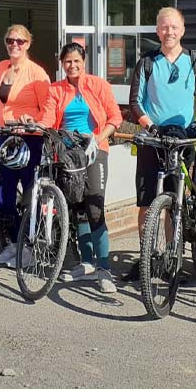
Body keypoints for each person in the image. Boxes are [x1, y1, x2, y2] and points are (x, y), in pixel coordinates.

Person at [126, 6, 196, 281]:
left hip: (184, 138)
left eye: (174, 27)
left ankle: (170, 259)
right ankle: (146, 258)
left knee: (175, 201)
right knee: (147, 203)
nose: (169, 32)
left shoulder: (195, 60)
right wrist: (149, 125)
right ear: (157, 31)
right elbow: (134, 102)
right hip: (153, 140)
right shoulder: (147, 62)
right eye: (164, 27)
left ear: (182, 30)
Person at [22, 42, 121, 292]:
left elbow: (115, 117)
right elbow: (48, 118)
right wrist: (34, 123)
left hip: (94, 150)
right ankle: (87, 264)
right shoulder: (56, 89)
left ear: (84, 61)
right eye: (68, 61)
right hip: (67, 154)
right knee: (77, 207)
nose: (72, 65)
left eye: (76, 61)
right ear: (62, 64)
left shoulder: (98, 85)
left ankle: (104, 269)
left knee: (95, 207)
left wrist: (97, 139)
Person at [0, 24, 51, 265]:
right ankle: (15, 244)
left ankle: (30, 248)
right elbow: (0, 103)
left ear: (28, 44)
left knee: (28, 195)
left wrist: (32, 121)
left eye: (20, 41)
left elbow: (48, 109)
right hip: (6, 136)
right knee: (4, 196)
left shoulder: (37, 73)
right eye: (10, 41)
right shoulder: (0, 68)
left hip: (29, 138)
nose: (14, 45)